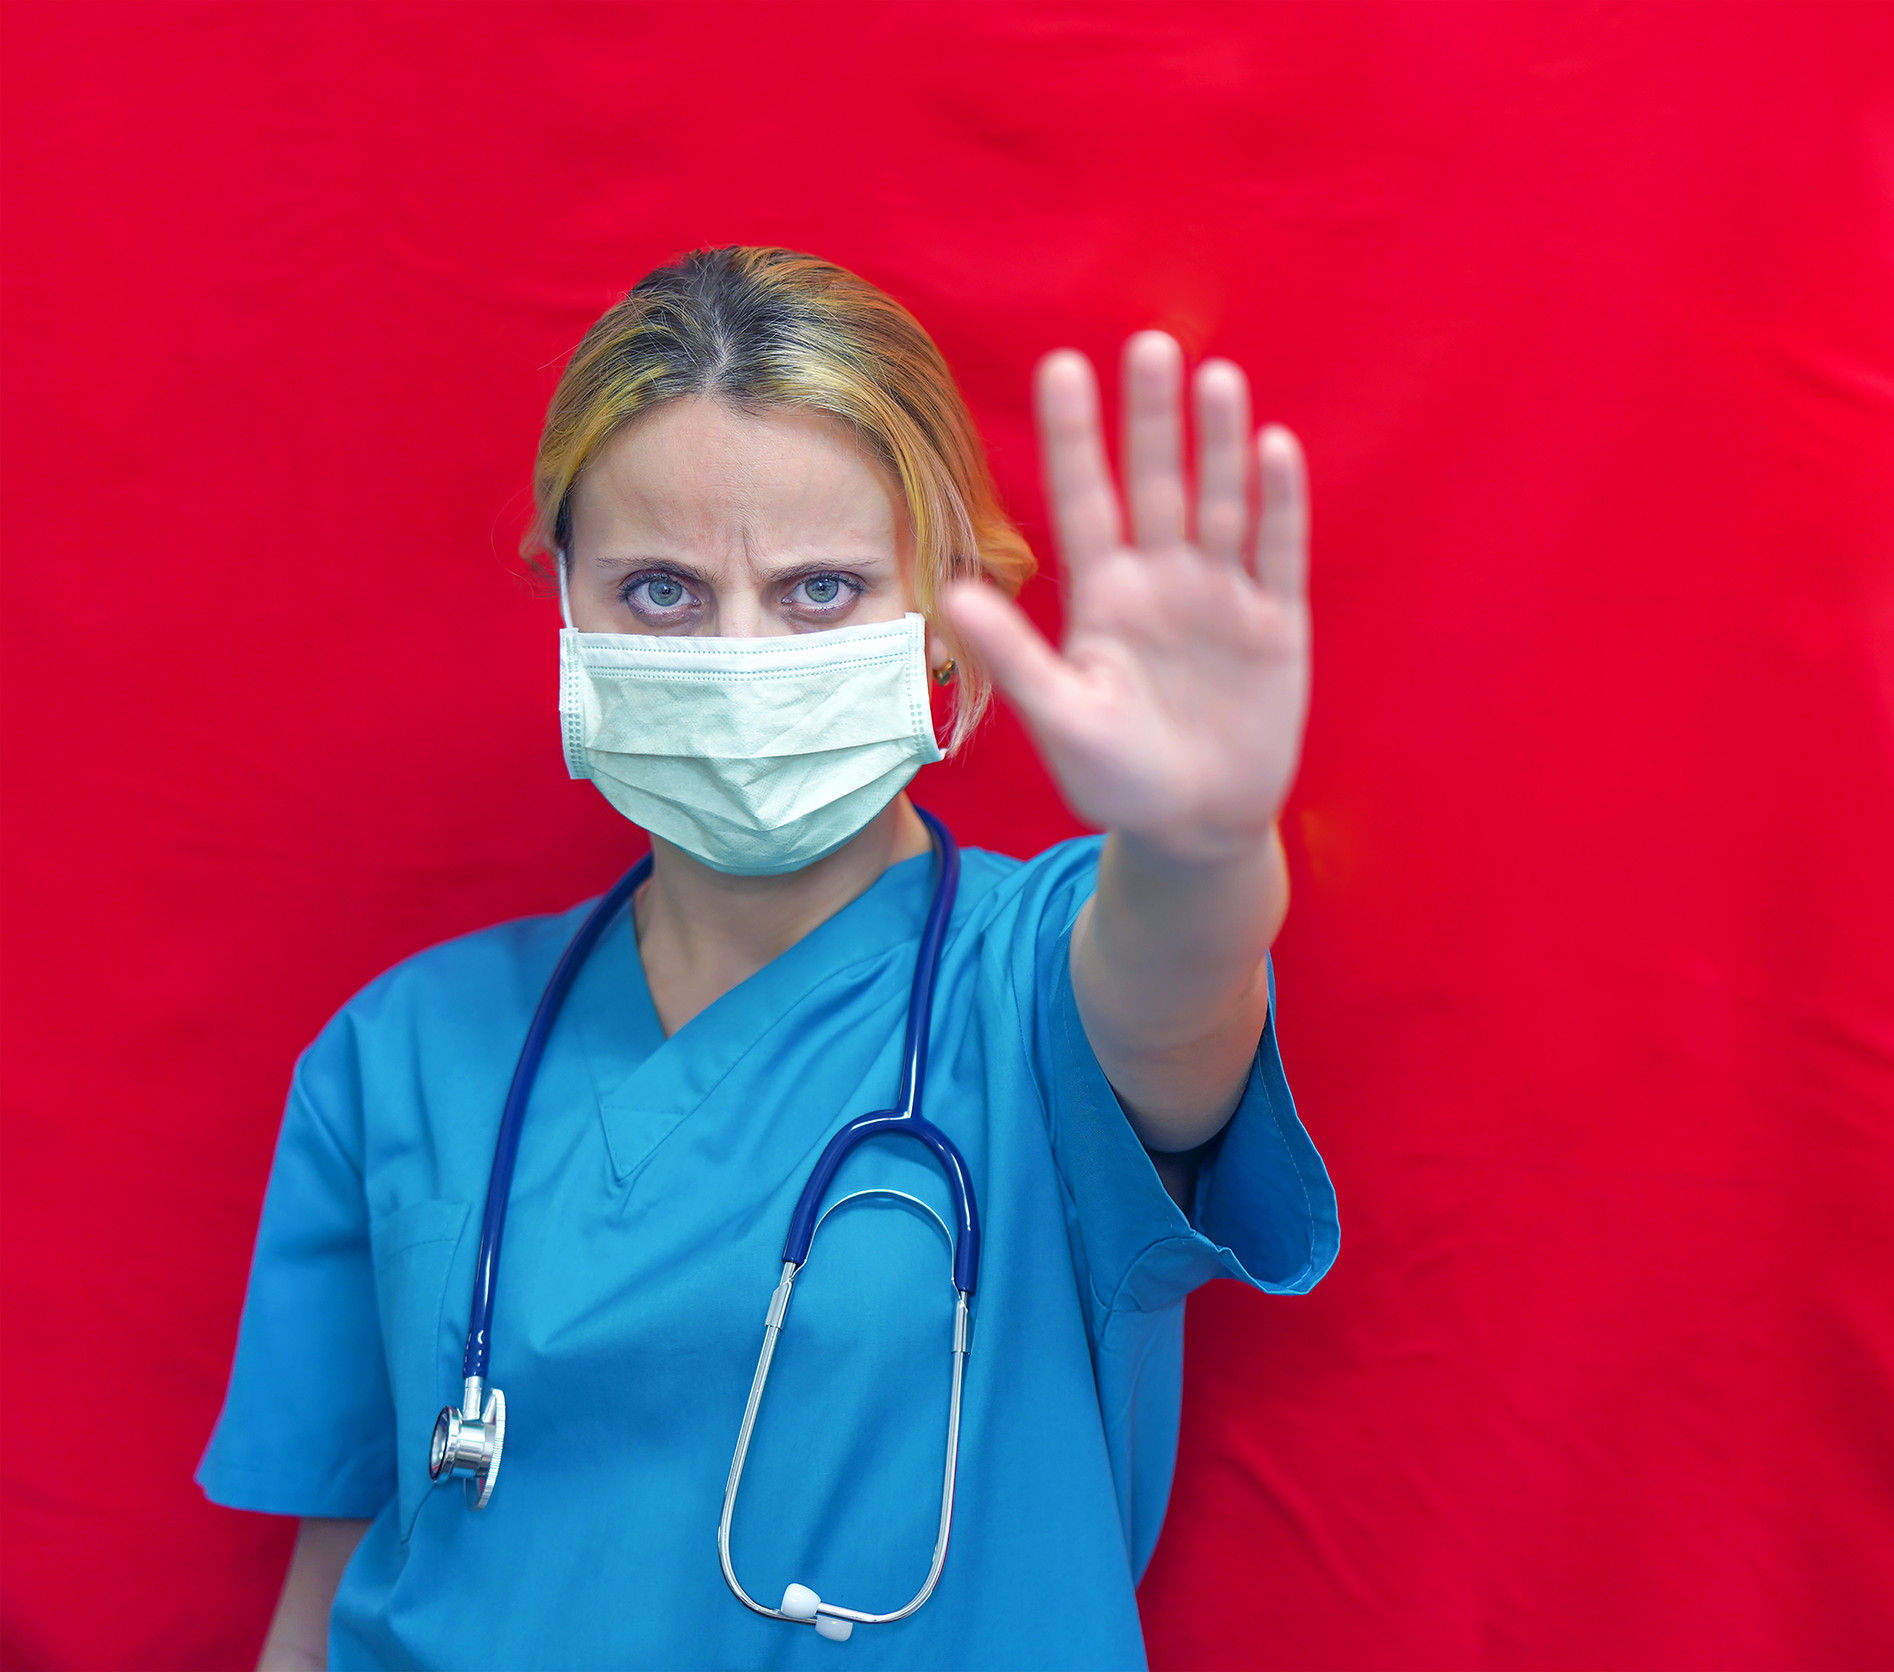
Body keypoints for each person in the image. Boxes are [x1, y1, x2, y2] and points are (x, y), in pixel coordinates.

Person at [196, 247, 1338, 1671]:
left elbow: (1182, 981)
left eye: (822, 590)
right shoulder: (401, 1055)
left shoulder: (1043, 987)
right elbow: (328, 1595)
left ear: (944, 612)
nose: (739, 657)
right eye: (661, 593)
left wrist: (1202, 843)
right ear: (567, 601)